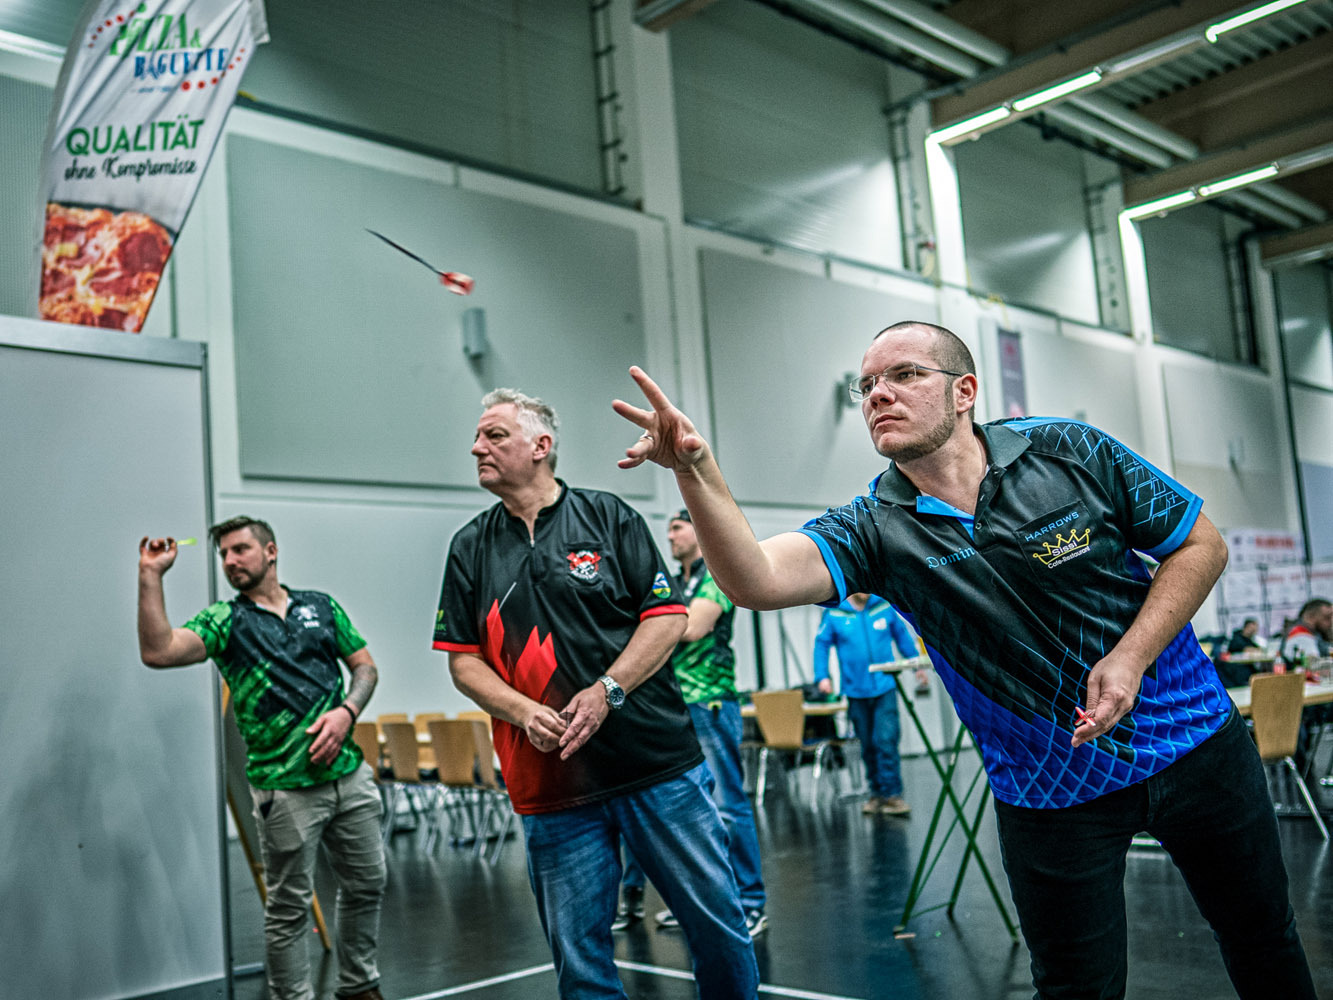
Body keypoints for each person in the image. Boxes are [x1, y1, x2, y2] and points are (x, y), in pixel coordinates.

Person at [612, 321, 1316, 1000]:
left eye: (904, 374)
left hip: (1195, 746)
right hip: (1049, 788)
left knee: (1262, 940)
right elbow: (756, 581)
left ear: (964, 391)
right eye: (866, 385)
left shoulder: (1070, 450)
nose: (878, 393)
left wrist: (1129, 657)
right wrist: (697, 472)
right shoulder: (873, 527)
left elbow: (1200, 545)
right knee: (1075, 988)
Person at [432, 388, 758, 999]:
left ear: (541, 446)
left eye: (494, 435)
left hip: (655, 765)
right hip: (550, 784)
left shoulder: (608, 517)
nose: (477, 447)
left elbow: (667, 618)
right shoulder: (470, 546)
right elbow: (464, 662)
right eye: (476, 438)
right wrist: (523, 711)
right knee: (580, 961)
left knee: (717, 928)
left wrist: (608, 690)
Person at [137, 516, 387, 1000]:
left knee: (367, 884)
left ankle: (359, 986)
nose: (230, 561)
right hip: (284, 789)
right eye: (223, 554)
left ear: (270, 551)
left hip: (348, 775)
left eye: (240, 550)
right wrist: (151, 575)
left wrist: (347, 712)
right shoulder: (225, 621)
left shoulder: (320, 606)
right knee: (289, 908)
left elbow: (365, 668)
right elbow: (159, 650)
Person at [650, 509, 768, 935]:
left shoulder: (715, 576)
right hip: (675, 706)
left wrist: (655, 624)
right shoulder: (674, 583)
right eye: (668, 530)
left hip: (711, 702)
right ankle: (704, 902)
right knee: (685, 811)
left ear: (697, 533)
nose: (670, 537)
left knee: (729, 808)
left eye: (677, 528)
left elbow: (692, 628)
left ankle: (750, 903)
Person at [813, 593, 922, 816]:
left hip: (885, 688)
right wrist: (822, 676)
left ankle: (893, 795)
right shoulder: (835, 612)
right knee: (868, 745)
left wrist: (917, 665)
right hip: (855, 691)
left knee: (885, 740)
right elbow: (821, 645)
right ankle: (876, 794)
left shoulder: (884, 606)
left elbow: (901, 636)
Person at [1280, 598, 1332, 664]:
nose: (1331, 622)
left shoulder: (1315, 633)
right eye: (1327, 617)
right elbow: (1313, 664)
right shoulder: (1300, 634)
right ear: (1311, 616)